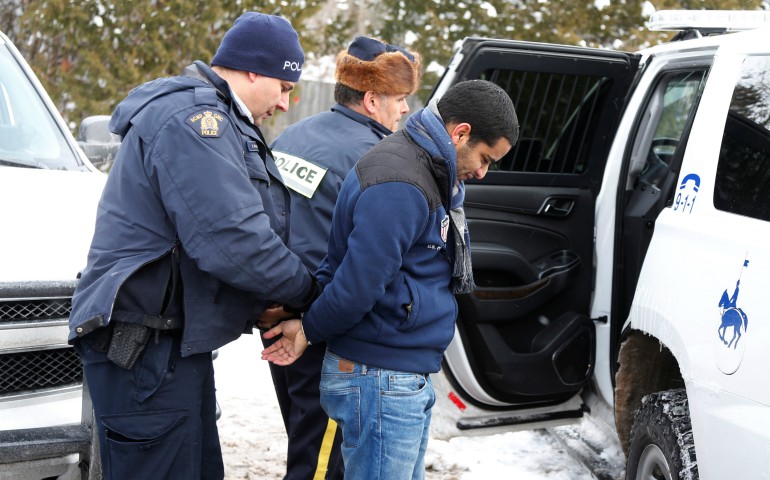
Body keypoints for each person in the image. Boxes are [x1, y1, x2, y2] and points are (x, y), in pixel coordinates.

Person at [68, 12, 320, 480]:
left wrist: (268, 302)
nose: (286, 103)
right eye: (284, 87)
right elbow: (235, 240)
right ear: (253, 69)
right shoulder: (196, 121)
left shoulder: (214, 118)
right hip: (145, 348)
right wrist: (308, 296)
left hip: (169, 345)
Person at [262, 79, 519, 479]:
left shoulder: (424, 169)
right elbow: (356, 284)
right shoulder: (402, 183)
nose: (483, 172)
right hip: (379, 379)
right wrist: (310, 329)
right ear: (461, 132)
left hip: (394, 377)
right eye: (485, 158)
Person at [260, 35, 421, 480]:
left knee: (305, 439)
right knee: (325, 463)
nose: (405, 110)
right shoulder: (376, 160)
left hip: (275, 317)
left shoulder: (293, 135)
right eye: (399, 99)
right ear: (371, 99)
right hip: (324, 331)